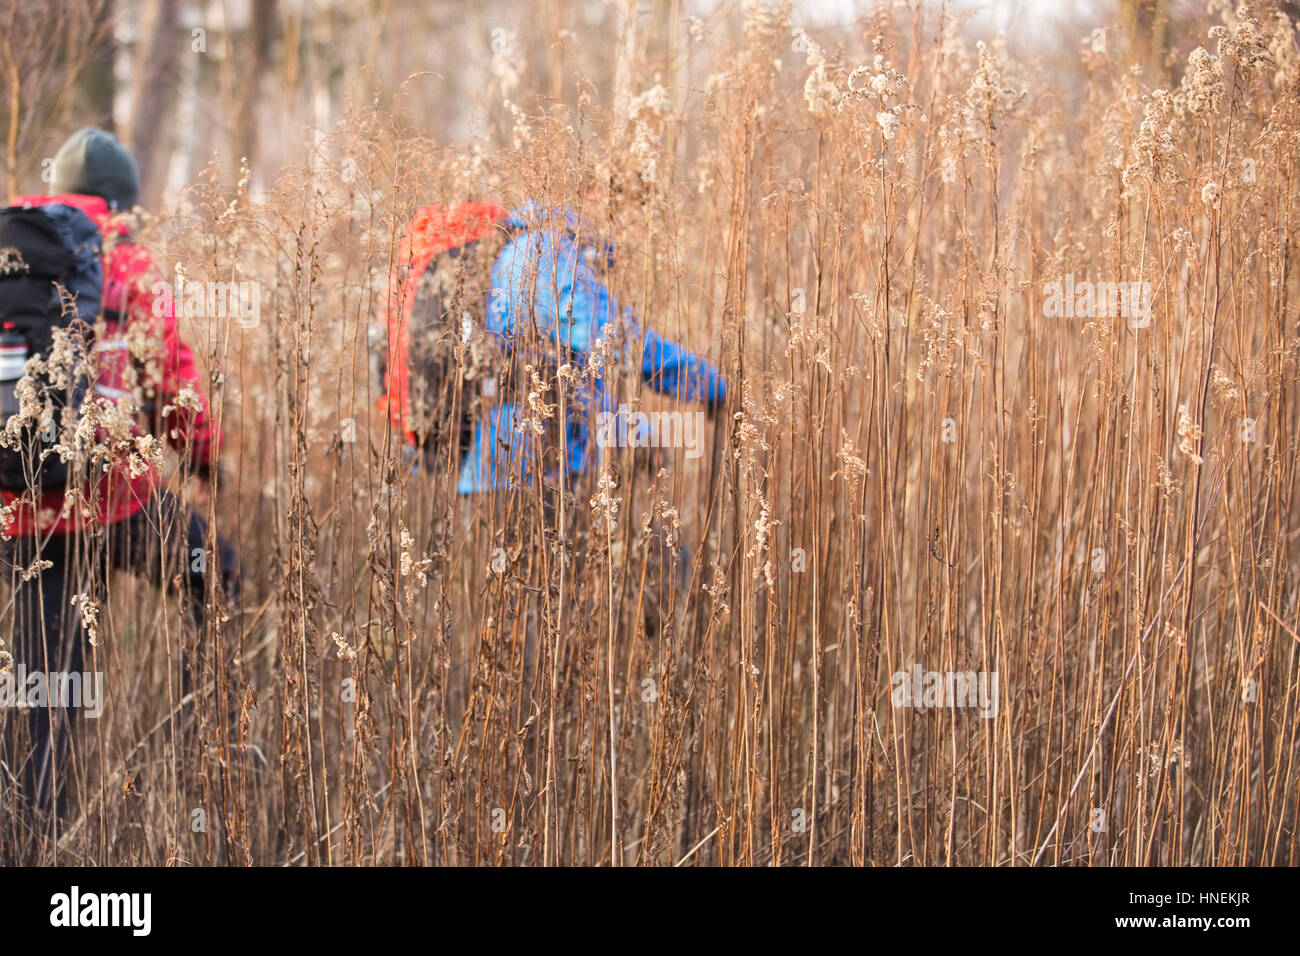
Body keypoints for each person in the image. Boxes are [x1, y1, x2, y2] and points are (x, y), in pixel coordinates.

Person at [0, 127, 238, 816]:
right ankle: (202, 752)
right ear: (120, 201)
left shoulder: (13, 253)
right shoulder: (128, 263)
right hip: (113, 496)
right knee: (214, 576)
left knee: (48, 687)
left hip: (20, 502)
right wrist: (203, 459)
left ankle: (35, 832)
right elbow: (171, 386)